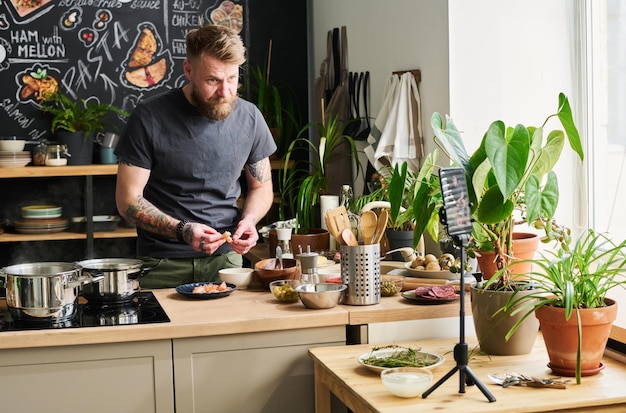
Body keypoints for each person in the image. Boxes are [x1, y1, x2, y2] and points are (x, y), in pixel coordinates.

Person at [115, 24, 276, 289]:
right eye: (213, 80)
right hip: (161, 264)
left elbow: (261, 186)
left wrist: (249, 220)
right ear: (189, 70)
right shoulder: (149, 117)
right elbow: (127, 201)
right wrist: (183, 230)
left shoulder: (250, 117)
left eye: (232, 79)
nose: (225, 92)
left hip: (226, 263)